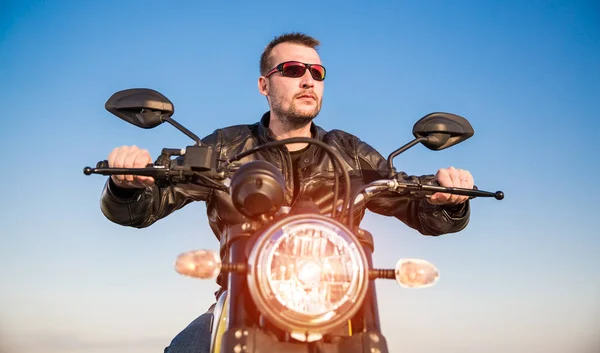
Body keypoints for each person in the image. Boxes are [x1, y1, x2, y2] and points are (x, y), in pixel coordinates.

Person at [99, 32, 474, 353]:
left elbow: (415, 203)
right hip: (242, 298)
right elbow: (145, 207)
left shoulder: (350, 152)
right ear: (264, 85)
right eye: (293, 71)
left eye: (317, 72)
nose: (308, 80)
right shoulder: (227, 147)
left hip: (337, 301)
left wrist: (446, 198)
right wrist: (126, 184)